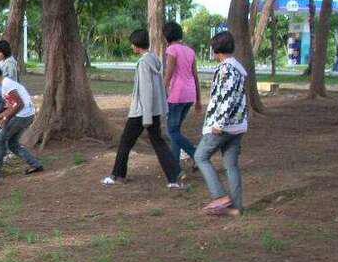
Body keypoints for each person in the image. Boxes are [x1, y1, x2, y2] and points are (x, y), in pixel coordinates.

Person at [102, 29, 183, 188]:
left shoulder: (144, 63)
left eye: (132, 44)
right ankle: (174, 175)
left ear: (137, 46)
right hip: (153, 110)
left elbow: (146, 90)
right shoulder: (154, 59)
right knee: (158, 142)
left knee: (125, 142)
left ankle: (117, 175)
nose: (132, 47)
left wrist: (146, 117)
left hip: (142, 112)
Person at [194, 31, 248, 216]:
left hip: (223, 125)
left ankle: (219, 197)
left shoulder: (226, 69)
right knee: (231, 165)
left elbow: (228, 98)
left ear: (216, 50)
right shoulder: (238, 68)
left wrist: (219, 123)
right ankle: (236, 208)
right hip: (238, 125)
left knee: (200, 156)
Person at [0, 61, 44, 178]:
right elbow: (12, 107)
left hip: (23, 116)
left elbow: (19, 104)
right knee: (12, 144)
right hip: (26, 115)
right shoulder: (5, 84)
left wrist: (6, 118)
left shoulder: (6, 85)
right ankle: (35, 164)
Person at [164, 21, 201, 166]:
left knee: (171, 132)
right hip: (190, 94)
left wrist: (160, 92)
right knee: (176, 130)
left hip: (177, 95)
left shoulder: (172, 50)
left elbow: (168, 75)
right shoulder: (190, 51)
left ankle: (196, 154)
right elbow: (196, 76)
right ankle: (175, 165)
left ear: (167, 36)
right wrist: (198, 100)